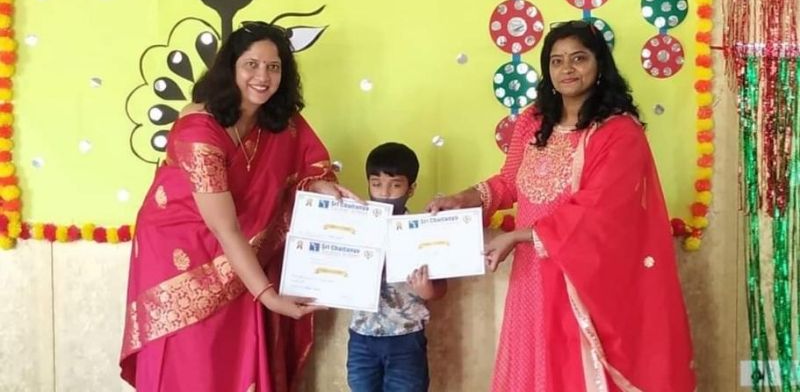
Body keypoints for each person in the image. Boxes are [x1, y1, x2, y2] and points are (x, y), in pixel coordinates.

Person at [426, 21, 696, 391]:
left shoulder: (618, 132)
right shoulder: (534, 120)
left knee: (573, 366)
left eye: (578, 58)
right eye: (556, 61)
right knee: (532, 364)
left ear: (600, 64)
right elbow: (510, 181)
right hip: (530, 274)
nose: (567, 69)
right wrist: (463, 198)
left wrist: (518, 236)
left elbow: (598, 209)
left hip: (580, 276)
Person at [119, 22, 360, 392]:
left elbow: (305, 168)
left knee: (236, 352)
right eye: (251, 64)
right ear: (230, 68)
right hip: (182, 255)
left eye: (273, 67)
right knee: (195, 359)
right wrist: (270, 297)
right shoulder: (199, 131)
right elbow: (224, 227)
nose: (262, 77)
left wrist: (320, 186)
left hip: (242, 252)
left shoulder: (279, 121)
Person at [347, 142, 447, 392]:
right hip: (362, 335)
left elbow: (440, 289)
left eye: (395, 185)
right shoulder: (354, 228)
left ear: (411, 189)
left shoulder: (422, 231)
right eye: (376, 184)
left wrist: (427, 291)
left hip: (406, 338)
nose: (385, 192)